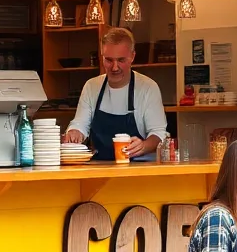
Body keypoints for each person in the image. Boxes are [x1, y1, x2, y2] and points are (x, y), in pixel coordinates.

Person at [64, 27, 168, 161]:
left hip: (138, 168)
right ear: (101, 57)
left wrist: (144, 146)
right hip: (100, 168)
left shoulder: (148, 88)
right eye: (109, 60)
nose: (114, 67)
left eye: (121, 60)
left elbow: (158, 133)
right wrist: (74, 132)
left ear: (132, 57)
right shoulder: (91, 86)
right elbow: (80, 124)